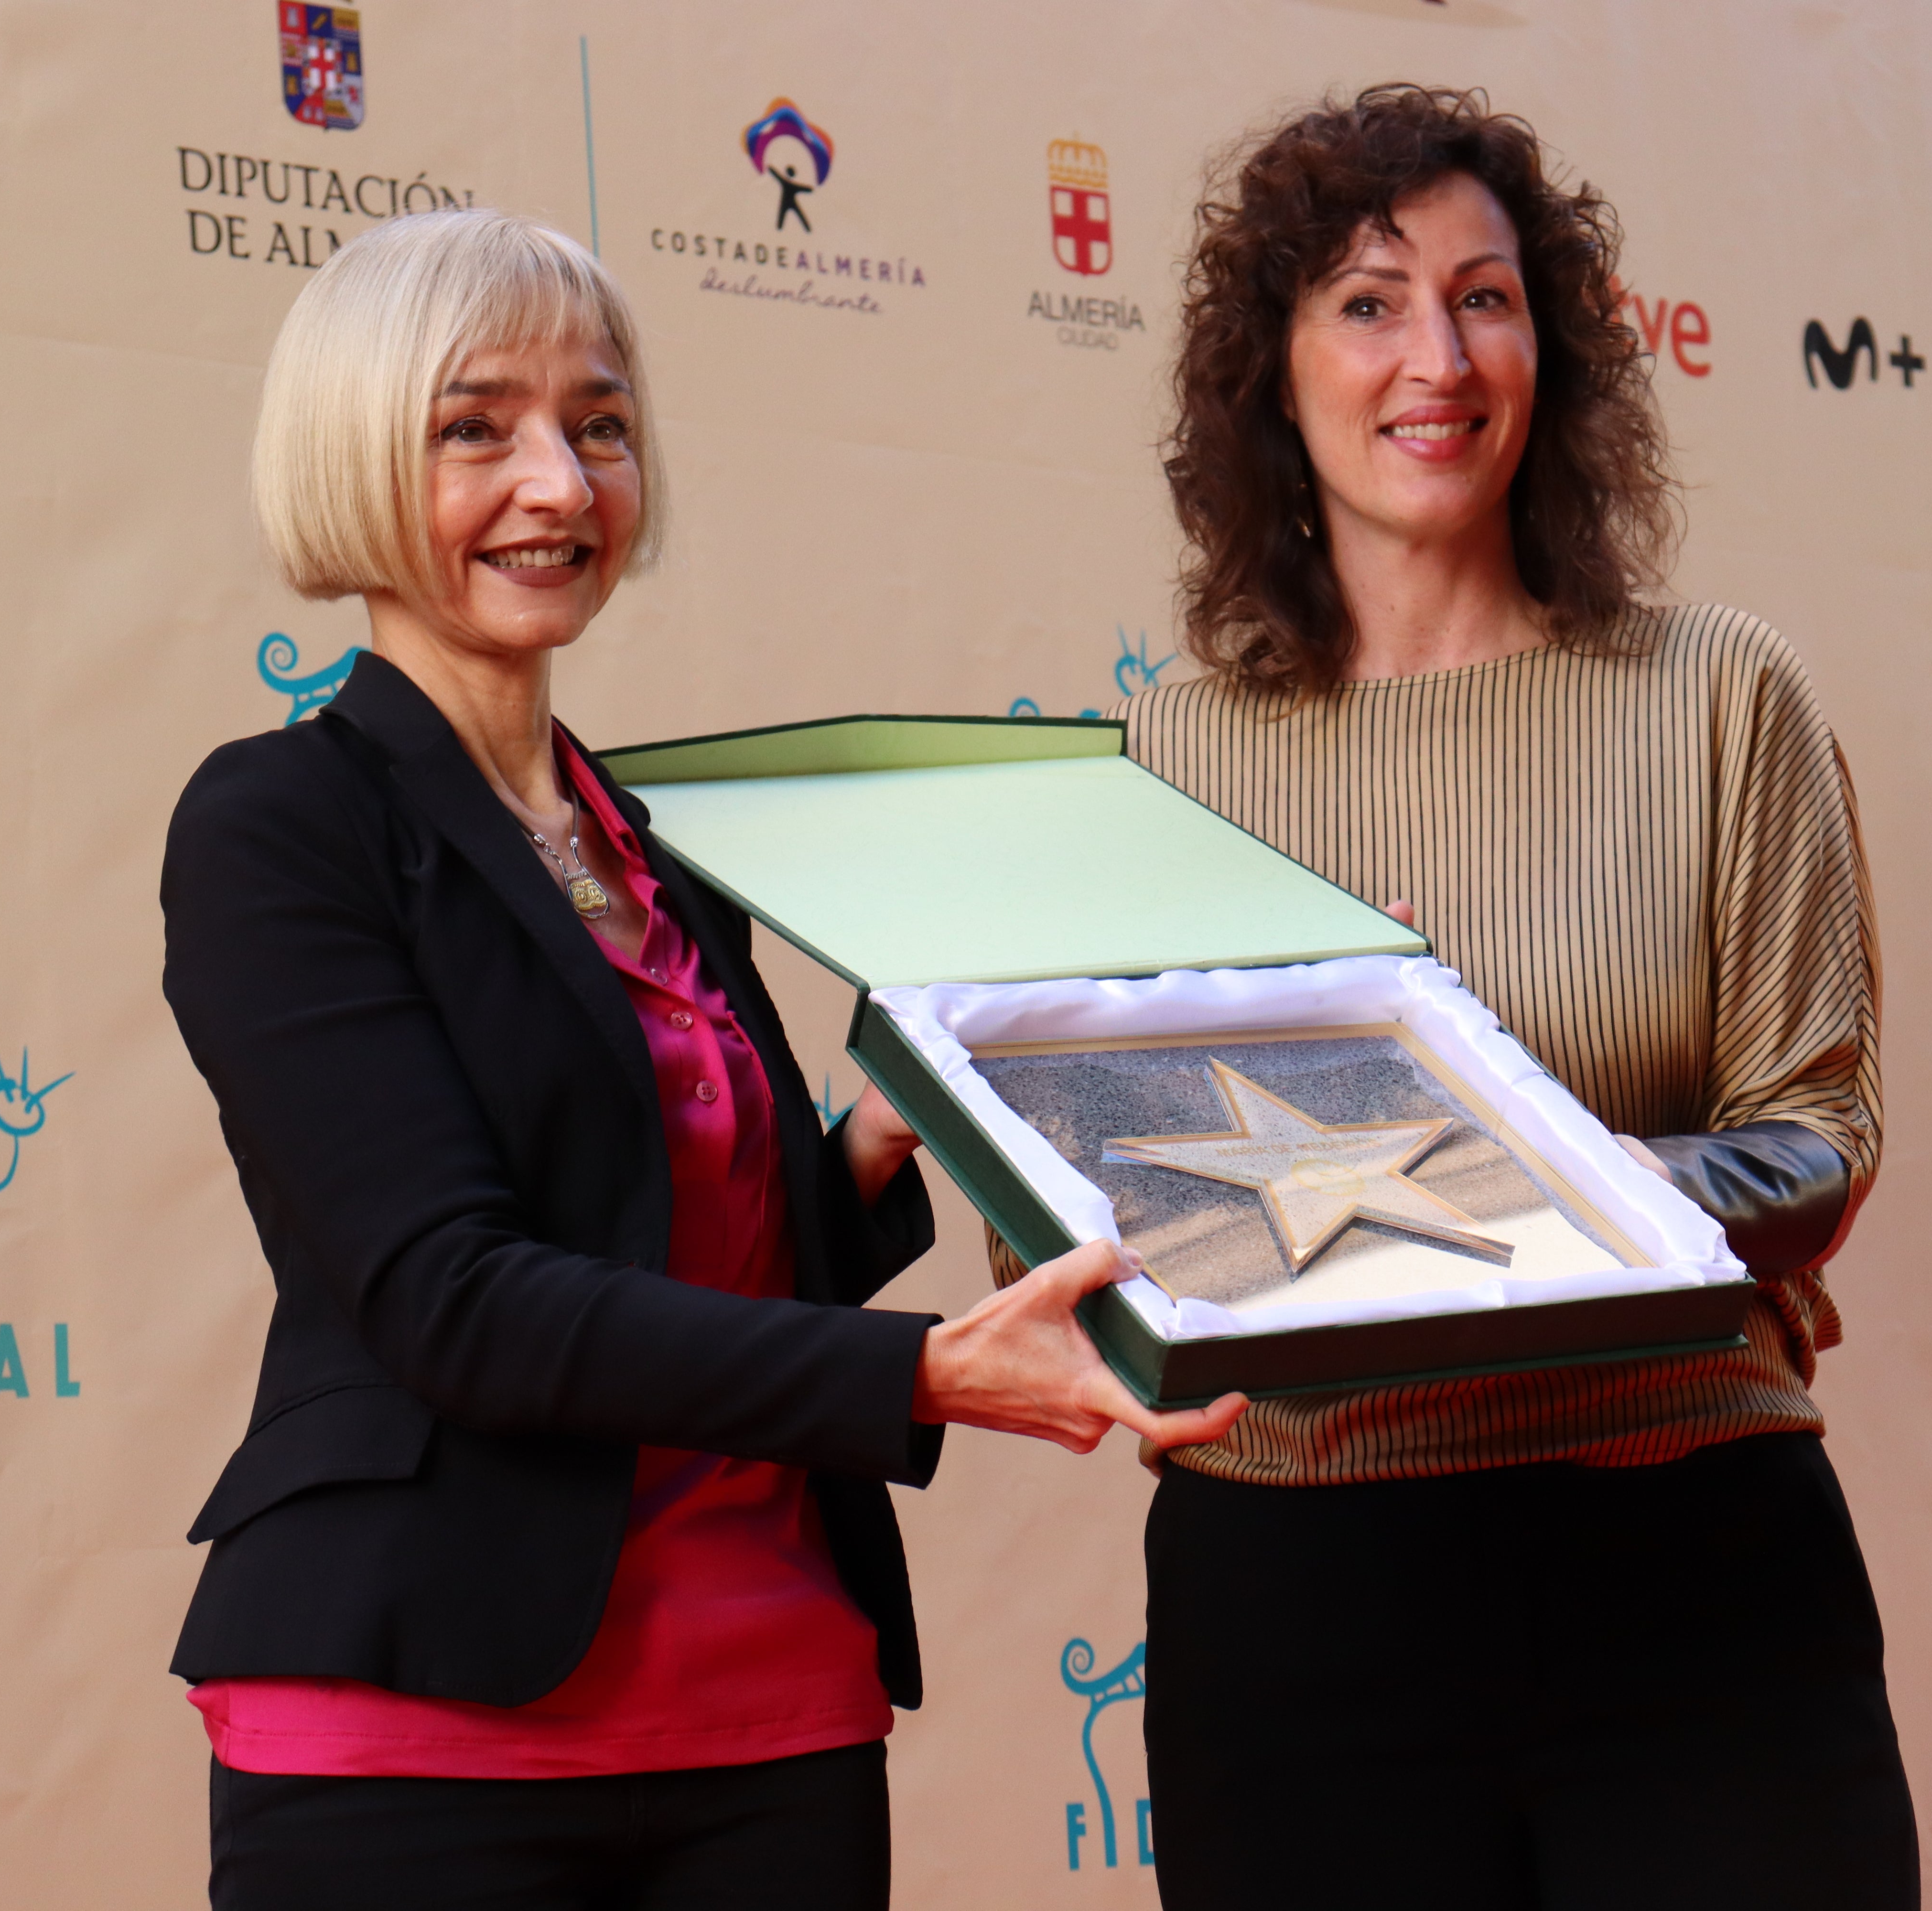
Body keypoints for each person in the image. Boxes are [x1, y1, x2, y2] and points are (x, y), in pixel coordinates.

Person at [162, 207, 1239, 1911]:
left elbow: (694, 1244)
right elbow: (454, 1296)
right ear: (356, 460)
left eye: (599, 425)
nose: (563, 485)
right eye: (476, 427)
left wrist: (896, 1125)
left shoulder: (644, 848)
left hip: (771, 1713)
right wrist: (918, 1378)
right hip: (426, 1723)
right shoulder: (282, 824)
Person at [1083, 86, 1915, 1907]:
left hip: (1695, 1572)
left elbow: (1817, 1146)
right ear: (1273, 375)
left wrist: (1458, 1139)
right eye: (1369, 304)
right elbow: (1079, 1231)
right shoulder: (1156, 764)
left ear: (1552, 346)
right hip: (1300, 1601)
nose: (1436, 357)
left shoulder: (1722, 696)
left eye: (1486, 296)